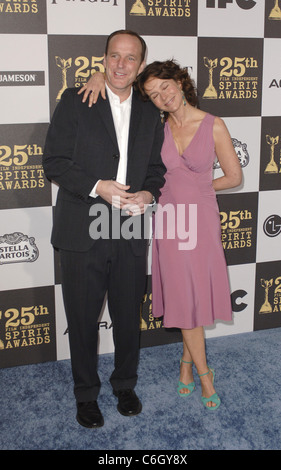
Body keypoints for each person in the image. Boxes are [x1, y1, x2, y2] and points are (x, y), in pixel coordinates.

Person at [80, 58, 242, 411]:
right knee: (186, 296)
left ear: (181, 83)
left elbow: (234, 177)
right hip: (170, 221)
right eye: (152, 93)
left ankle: (194, 369)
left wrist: (198, 188)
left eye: (165, 86)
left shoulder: (213, 125)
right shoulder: (155, 127)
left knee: (194, 294)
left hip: (200, 219)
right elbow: (119, 87)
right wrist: (97, 74)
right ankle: (200, 372)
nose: (162, 96)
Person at [43, 30, 166, 428]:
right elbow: (55, 162)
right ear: (104, 59)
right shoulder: (76, 100)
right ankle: (86, 395)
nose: (120, 65)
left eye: (130, 59)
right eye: (115, 56)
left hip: (130, 227)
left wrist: (148, 193)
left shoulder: (151, 112)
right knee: (81, 319)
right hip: (83, 226)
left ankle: (125, 384)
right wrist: (98, 186)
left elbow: (156, 171)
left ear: (140, 66)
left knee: (129, 315)